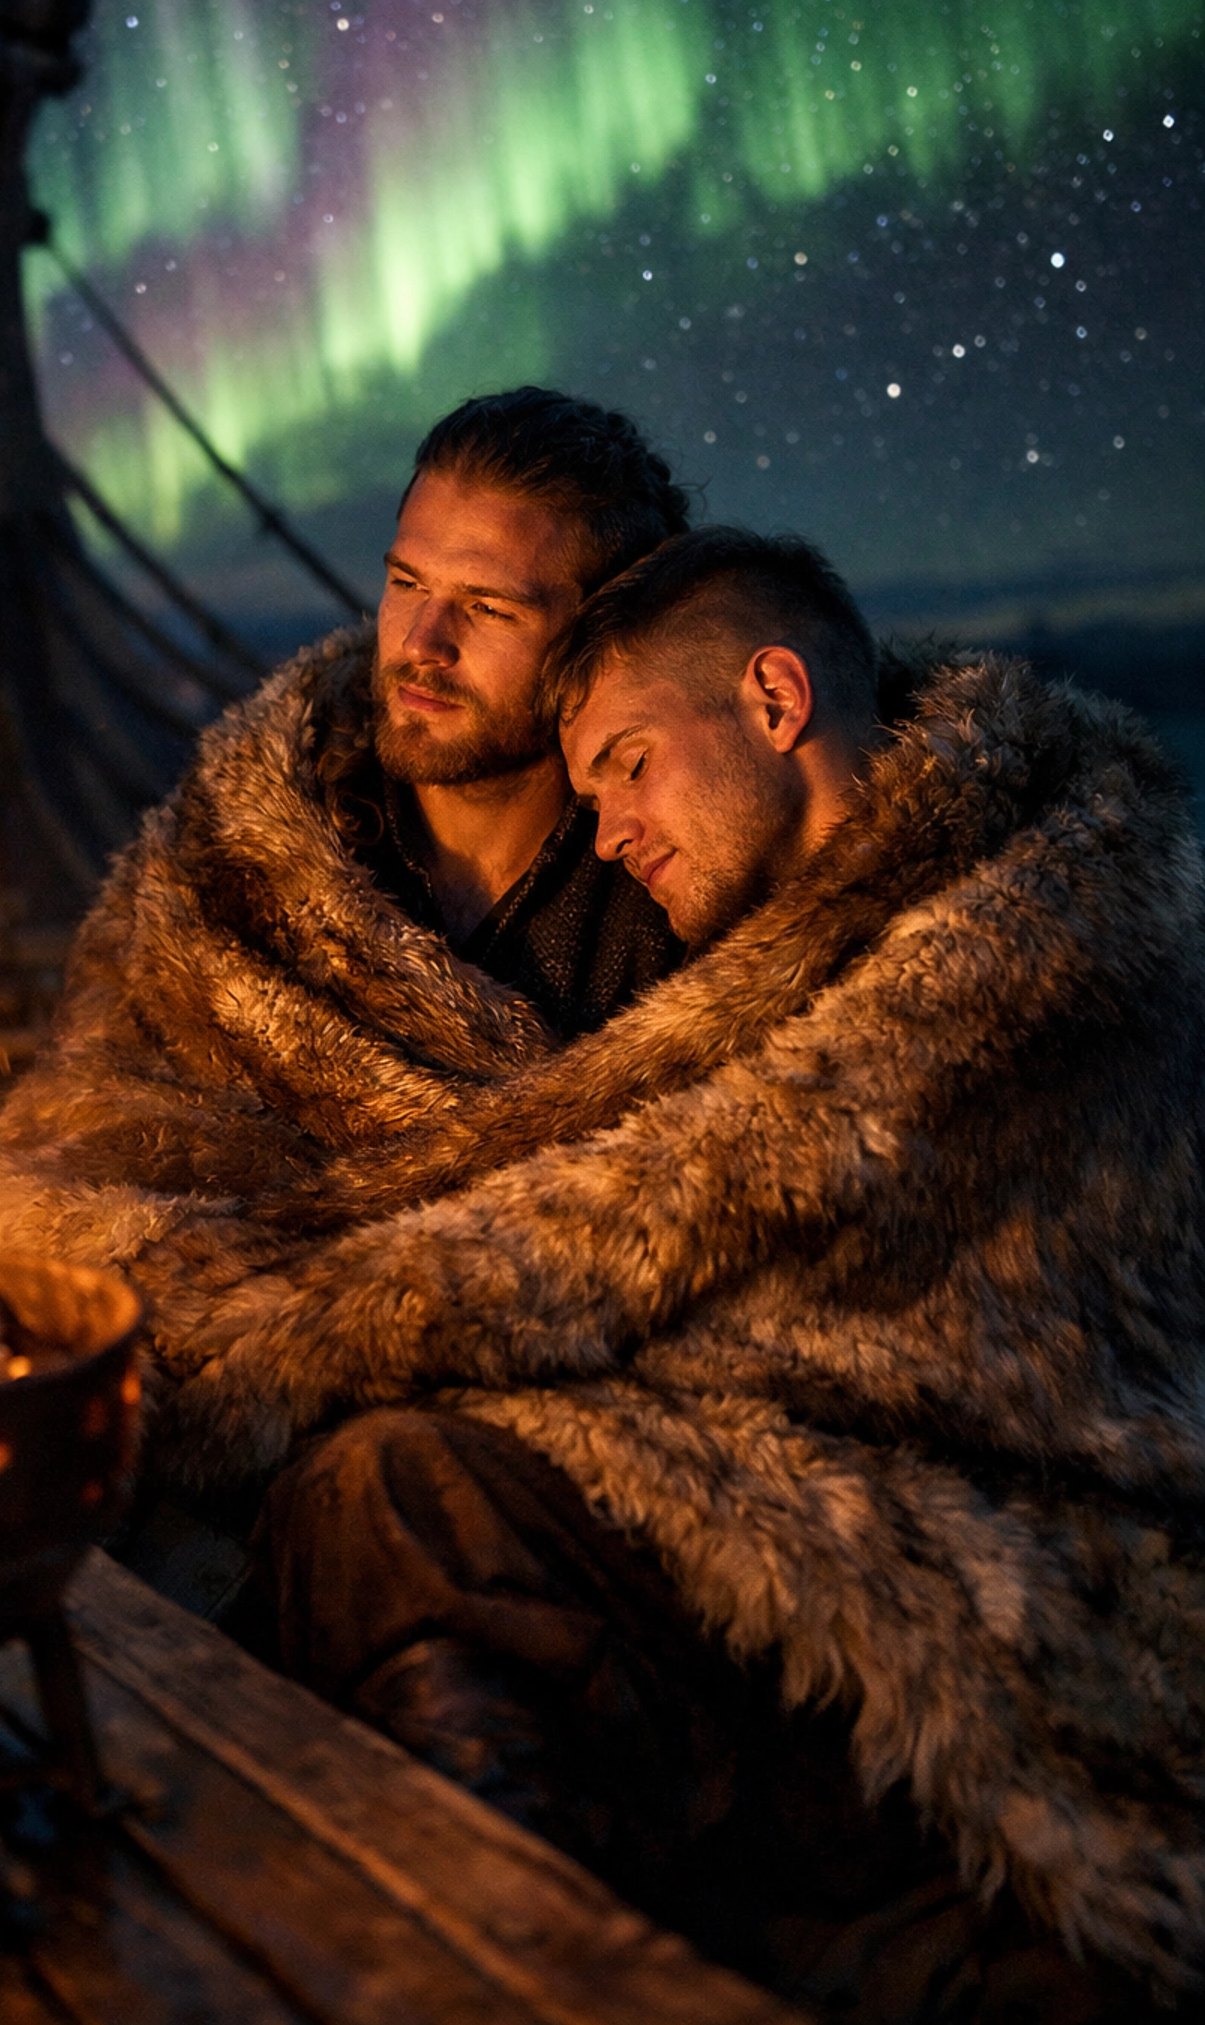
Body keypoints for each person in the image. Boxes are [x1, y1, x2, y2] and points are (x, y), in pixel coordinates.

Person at [145, 526, 1205, 2016]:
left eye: (631, 764)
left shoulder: (1031, 943)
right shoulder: (766, 958)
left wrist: (289, 1336)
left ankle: (528, 1966)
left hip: (1005, 1608)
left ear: (775, 699)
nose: (614, 832)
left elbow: (744, 1272)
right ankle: (533, 1935)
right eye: (587, 796)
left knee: (395, 1493)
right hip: (813, 1564)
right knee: (385, 1495)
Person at [0, 384, 688, 1461]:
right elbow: (81, 1145)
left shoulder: (664, 885)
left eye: (489, 608)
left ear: (600, 641)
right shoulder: (236, 852)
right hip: (206, 1402)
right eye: (405, 582)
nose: (421, 642)